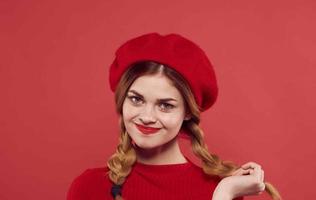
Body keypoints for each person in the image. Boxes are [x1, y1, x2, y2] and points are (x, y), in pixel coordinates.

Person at [67, 33, 282, 200]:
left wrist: (224, 194)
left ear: (188, 111)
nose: (147, 116)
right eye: (136, 99)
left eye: (165, 105)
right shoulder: (89, 187)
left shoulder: (221, 189)